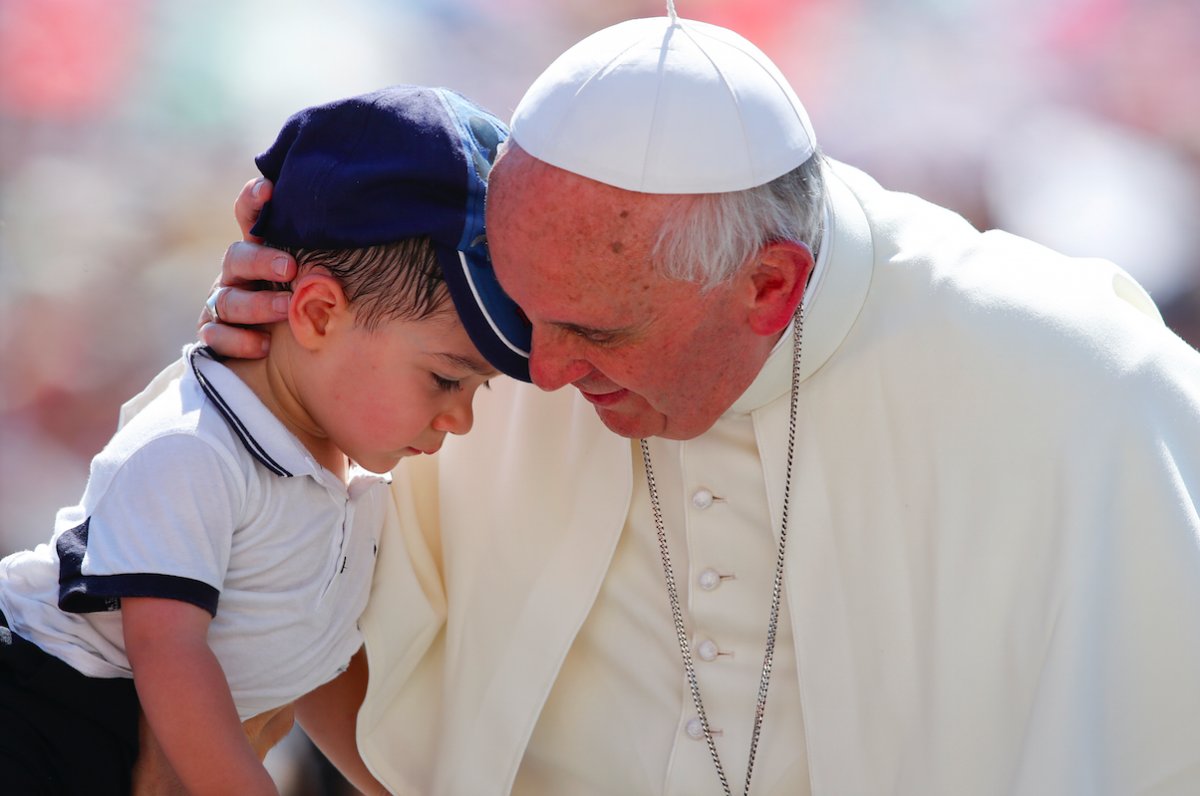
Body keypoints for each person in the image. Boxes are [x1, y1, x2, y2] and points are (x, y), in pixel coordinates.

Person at [190, 11, 1200, 796]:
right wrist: (274, 365)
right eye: (524, 308)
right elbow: (248, 573)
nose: (537, 371)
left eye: (596, 332)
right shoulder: (473, 321)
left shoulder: (1078, 391)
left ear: (771, 285)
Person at [0, 85, 518, 796]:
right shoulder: (191, 451)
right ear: (315, 313)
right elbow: (169, 662)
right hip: (43, 713)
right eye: (444, 379)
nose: (460, 419)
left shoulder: (341, 481)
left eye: (478, 388)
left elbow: (309, 665)